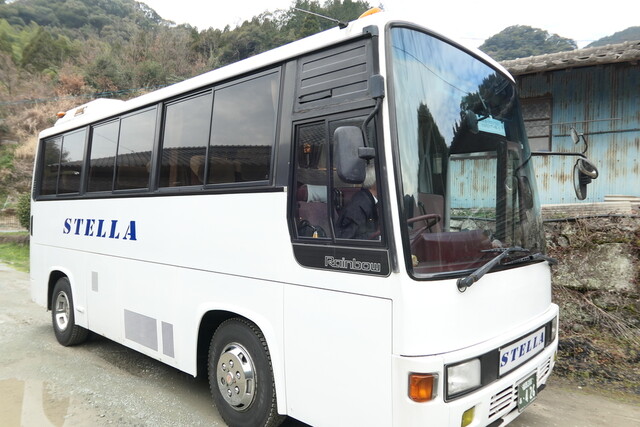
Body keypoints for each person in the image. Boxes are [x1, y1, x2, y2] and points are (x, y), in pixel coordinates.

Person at [335, 163, 379, 239]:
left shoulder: (371, 201)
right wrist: (377, 235)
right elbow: (349, 239)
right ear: (375, 183)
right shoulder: (359, 206)